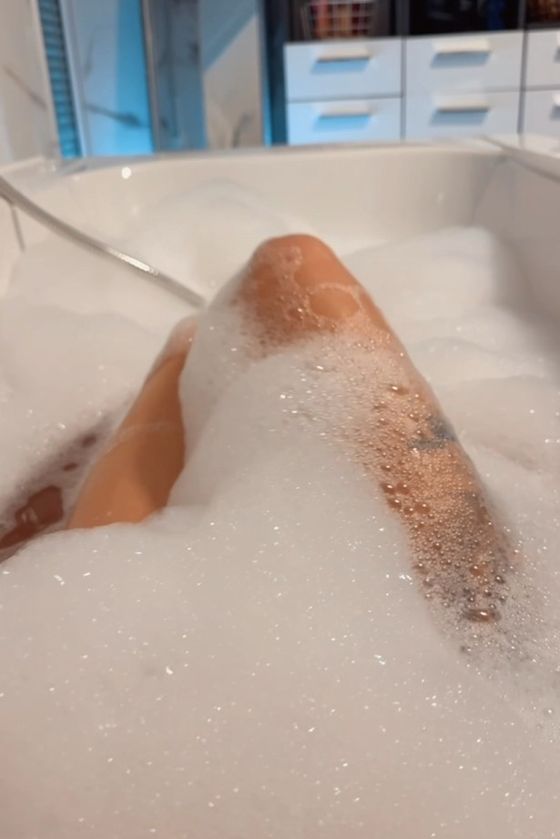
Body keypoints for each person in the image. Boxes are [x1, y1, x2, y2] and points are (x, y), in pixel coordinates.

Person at [1, 235, 514, 619]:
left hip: (93, 635)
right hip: (453, 631)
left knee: (188, 343)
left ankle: (186, 349)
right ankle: (471, 571)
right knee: (291, 255)